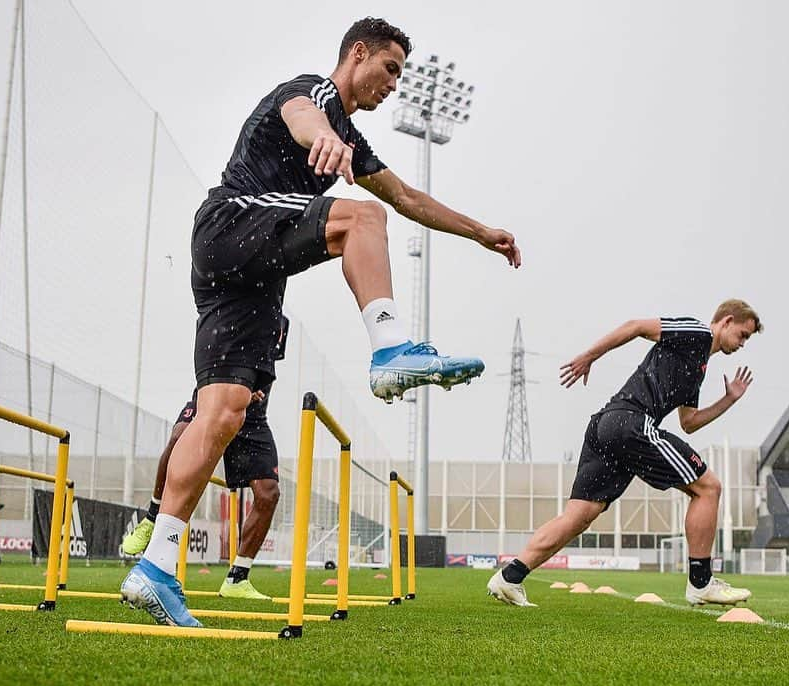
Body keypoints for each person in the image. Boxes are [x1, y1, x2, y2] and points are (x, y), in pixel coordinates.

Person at [122, 17, 519, 626]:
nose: (393, 85)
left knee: (224, 412)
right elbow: (302, 112)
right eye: (389, 69)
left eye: (400, 75)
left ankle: (155, 565)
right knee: (362, 219)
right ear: (357, 53)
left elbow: (409, 199)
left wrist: (480, 232)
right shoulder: (315, 94)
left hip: (246, 277)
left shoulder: (353, 140)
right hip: (233, 222)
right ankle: (391, 350)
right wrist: (324, 139)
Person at [488, 300, 763, 607]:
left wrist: (729, 400)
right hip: (630, 422)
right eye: (742, 335)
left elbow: (690, 423)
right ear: (725, 321)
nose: (742, 343)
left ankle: (509, 577)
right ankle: (701, 583)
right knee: (708, 487)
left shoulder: (697, 365)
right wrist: (590, 357)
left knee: (579, 516)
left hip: (605, 426)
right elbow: (637, 327)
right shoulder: (697, 332)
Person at [120, 319, 291, 602]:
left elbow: (267, 361)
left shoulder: (277, 319)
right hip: (215, 397)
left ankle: (238, 578)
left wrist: (252, 387)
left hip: (253, 414)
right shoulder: (227, 299)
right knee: (180, 435)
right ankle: (151, 517)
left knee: (268, 493)